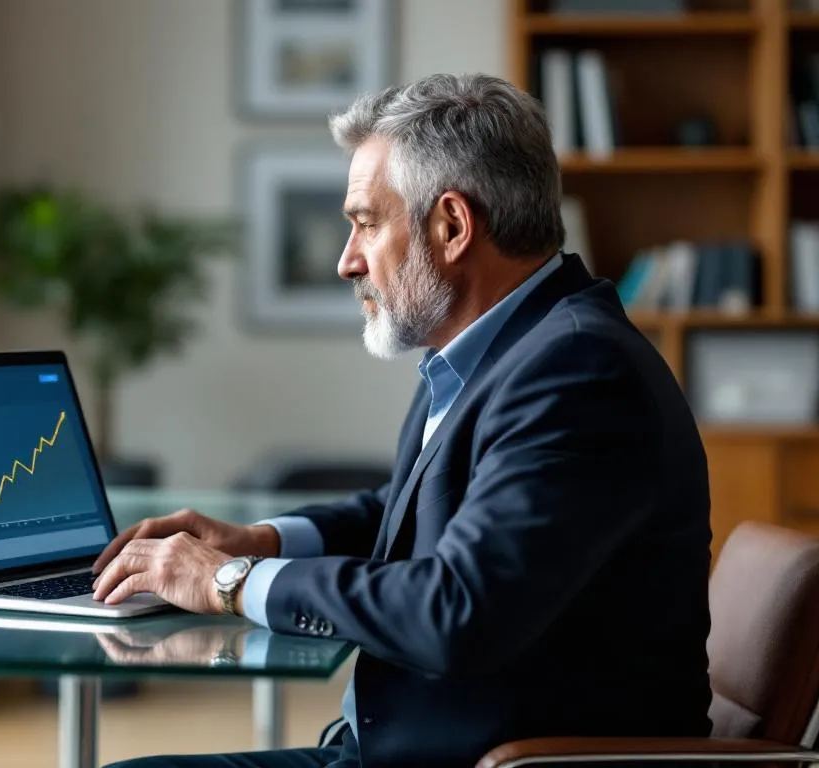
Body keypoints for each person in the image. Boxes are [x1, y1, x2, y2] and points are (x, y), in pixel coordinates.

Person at [91, 73, 712, 768]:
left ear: (451, 225)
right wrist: (263, 541)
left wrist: (226, 582)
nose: (346, 260)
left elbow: (457, 607)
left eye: (364, 222)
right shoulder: (496, 348)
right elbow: (417, 511)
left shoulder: (577, 372)